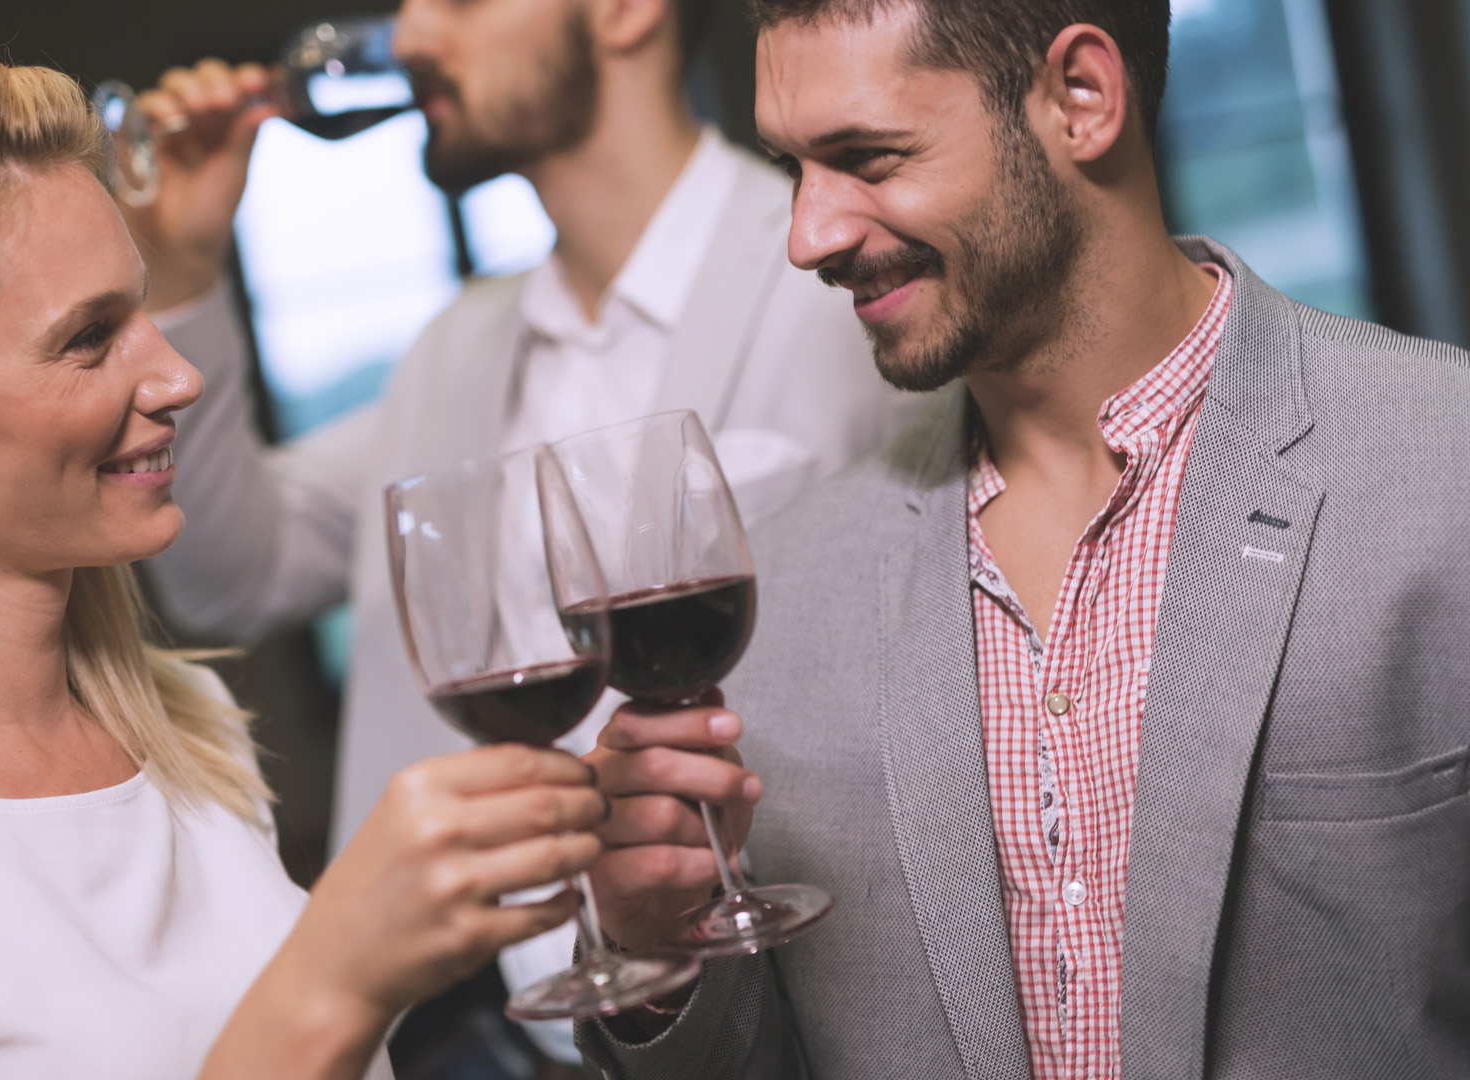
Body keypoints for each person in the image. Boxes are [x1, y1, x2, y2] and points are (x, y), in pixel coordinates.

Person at [0, 49, 611, 1080]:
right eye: (89, 338)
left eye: (144, 312)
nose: (180, 375)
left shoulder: (191, 735)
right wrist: (332, 983)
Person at [579, 1, 1470, 1077]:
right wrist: (654, 952)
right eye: (794, 167)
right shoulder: (781, 597)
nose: (808, 235)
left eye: (867, 156)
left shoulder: (1443, 468)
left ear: (1081, 98)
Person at [125, 1, 912, 1054]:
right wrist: (179, 266)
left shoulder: (851, 288)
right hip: (462, 1041)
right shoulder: (451, 351)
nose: (408, 40)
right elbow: (233, 573)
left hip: (768, 1026)